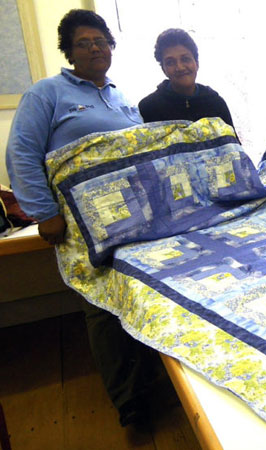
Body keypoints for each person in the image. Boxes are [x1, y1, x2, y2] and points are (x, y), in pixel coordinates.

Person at [6, 9, 166, 429]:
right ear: (69, 51)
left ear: (111, 47)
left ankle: (151, 378)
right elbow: (21, 153)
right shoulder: (48, 93)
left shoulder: (121, 97)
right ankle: (129, 401)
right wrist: (45, 212)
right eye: (83, 43)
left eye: (101, 41)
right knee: (102, 306)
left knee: (139, 296)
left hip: (137, 220)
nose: (95, 48)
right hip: (84, 224)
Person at [138, 28, 235, 126]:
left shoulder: (215, 103)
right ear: (163, 69)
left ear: (196, 63)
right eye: (170, 62)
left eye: (185, 59)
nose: (179, 67)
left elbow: (231, 136)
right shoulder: (148, 108)